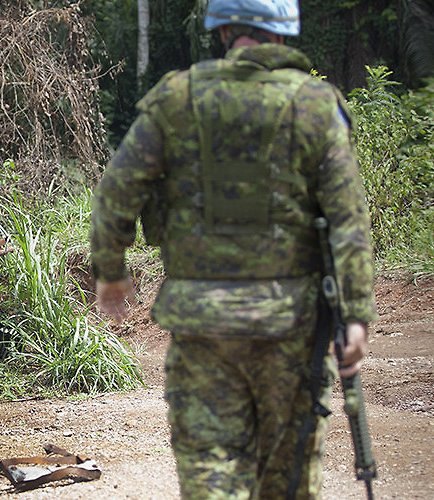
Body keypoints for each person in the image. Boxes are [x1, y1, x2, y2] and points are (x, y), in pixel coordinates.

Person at [88, 0, 377, 498]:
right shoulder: (315, 105)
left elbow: (117, 189)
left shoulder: (176, 100)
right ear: (284, 37)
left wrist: (112, 274)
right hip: (291, 329)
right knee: (287, 482)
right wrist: (355, 313)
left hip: (203, 327)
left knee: (210, 473)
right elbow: (348, 218)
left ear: (222, 34)